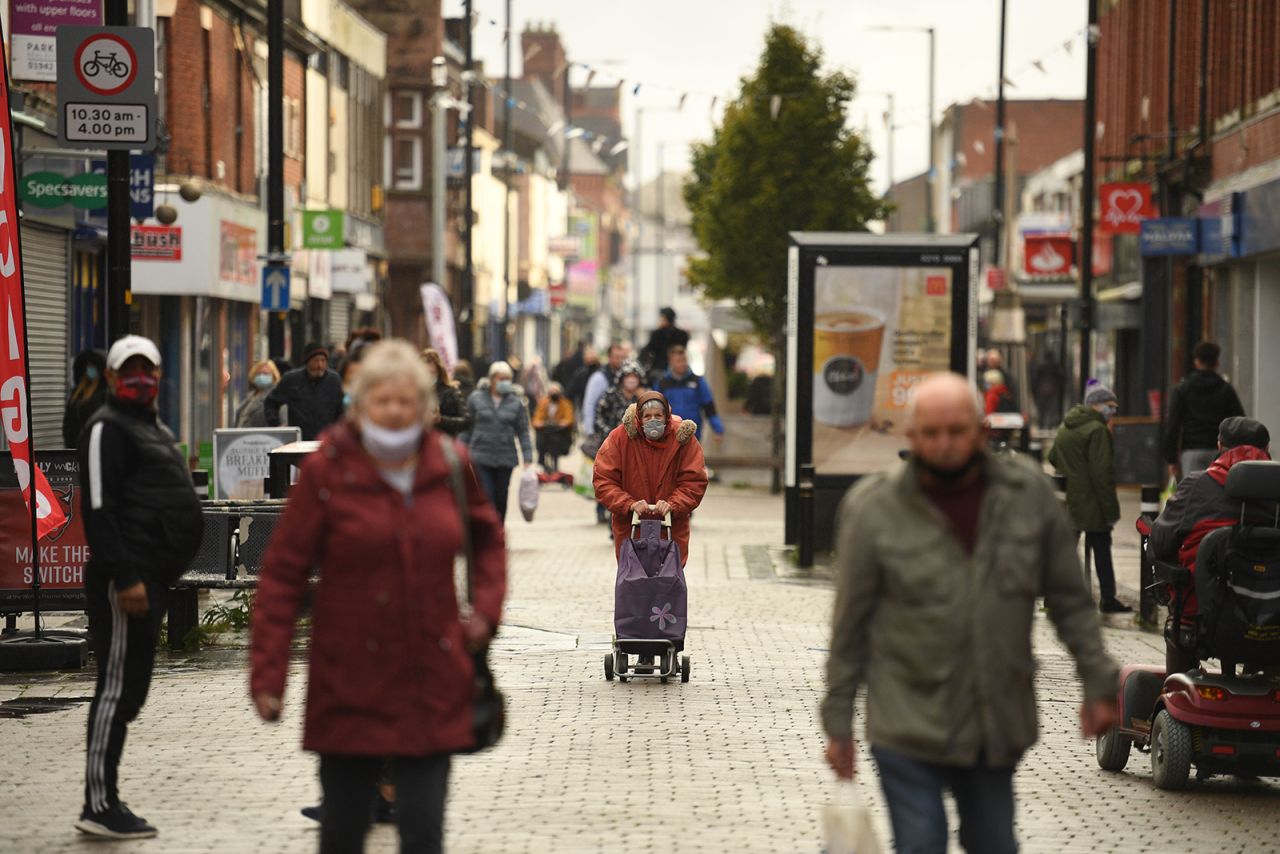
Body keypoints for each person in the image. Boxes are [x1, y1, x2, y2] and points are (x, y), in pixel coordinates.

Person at [822, 373, 1119, 854]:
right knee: (921, 844)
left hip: (993, 718)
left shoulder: (1027, 497)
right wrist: (838, 723)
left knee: (994, 843)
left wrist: (1099, 682)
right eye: (931, 433)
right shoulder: (873, 510)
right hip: (906, 716)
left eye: (957, 431)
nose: (945, 445)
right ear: (910, 436)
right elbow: (849, 625)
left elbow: (1071, 601)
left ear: (982, 431)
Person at [251, 339, 506, 854]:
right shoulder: (329, 470)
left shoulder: (449, 465)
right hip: (349, 680)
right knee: (343, 832)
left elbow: (488, 540)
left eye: (406, 400)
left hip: (429, 677)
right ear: (361, 403)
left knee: (423, 834)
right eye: (382, 400)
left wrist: (484, 615)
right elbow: (282, 574)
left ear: (423, 404)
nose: (394, 410)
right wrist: (268, 671)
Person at [75, 335, 204, 840]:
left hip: (152, 580)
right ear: (110, 378)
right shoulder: (105, 428)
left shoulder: (148, 425)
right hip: (125, 582)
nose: (140, 378)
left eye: (147, 369)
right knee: (115, 691)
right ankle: (98, 804)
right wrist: (125, 577)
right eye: (128, 370)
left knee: (130, 693)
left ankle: (105, 800)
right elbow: (99, 512)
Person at [1150, 416, 1273, 673]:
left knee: (1181, 603)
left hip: (1204, 618)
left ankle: (1176, 690)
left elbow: (1160, 542)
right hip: (1273, 619)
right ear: (1267, 451)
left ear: (1220, 445)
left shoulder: (1197, 485)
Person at [592, 390, 708, 567]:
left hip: (671, 524)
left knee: (669, 579)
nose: (653, 420)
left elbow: (694, 480)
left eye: (658, 415)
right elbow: (604, 479)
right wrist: (628, 504)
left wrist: (673, 504)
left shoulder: (683, 439)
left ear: (666, 416)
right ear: (639, 417)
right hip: (631, 524)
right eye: (647, 416)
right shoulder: (619, 438)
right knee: (633, 579)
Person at [1047, 382, 1131, 614]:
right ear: (1096, 405)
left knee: (1065, 550)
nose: (1113, 411)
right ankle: (1108, 598)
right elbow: (1101, 473)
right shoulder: (1097, 430)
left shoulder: (1066, 427)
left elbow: (1053, 457)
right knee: (1101, 549)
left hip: (1070, 499)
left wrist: (1073, 471)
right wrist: (1111, 511)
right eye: (1110, 406)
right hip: (1092, 500)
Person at [1164, 341, 1246, 480]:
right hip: (1219, 452)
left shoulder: (1183, 388)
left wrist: (1171, 459)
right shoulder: (1226, 389)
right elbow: (1239, 422)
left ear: (1196, 362)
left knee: (1194, 494)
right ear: (1217, 363)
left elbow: (1173, 424)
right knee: (1218, 495)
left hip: (1191, 451)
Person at [466, 361, 534, 523]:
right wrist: (461, 452)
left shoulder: (515, 402)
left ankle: (499, 529)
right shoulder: (476, 398)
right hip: (481, 455)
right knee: (487, 495)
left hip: (505, 458)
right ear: (492, 379)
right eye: (501, 378)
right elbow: (467, 428)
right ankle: (488, 530)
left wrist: (527, 456)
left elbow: (523, 430)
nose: (505, 382)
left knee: (501, 498)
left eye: (508, 378)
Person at [265, 343, 345, 441]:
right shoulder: (291, 380)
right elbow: (271, 402)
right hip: (299, 441)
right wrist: (276, 425)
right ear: (307, 361)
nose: (320, 365)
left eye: (323, 361)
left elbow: (341, 410)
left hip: (326, 441)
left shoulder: (334, 380)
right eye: (316, 361)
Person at [658, 345, 724, 444]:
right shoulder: (662, 383)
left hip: (693, 434)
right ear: (671, 362)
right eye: (678, 361)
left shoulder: (697, 381)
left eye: (684, 360)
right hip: (669, 433)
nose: (682, 364)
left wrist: (718, 429)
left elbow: (709, 407)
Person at [580, 343, 629, 439]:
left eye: (623, 357)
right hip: (602, 432)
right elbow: (589, 404)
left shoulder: (626, 376)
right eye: (617, 357)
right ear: (609, 357)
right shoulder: (599, 377)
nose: (620, 360)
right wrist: (589, 431)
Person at [63, 349, 108, 448]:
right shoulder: (78, 393)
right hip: (74, 448)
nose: (89, 369)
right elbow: (68, 422)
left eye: (92, 366)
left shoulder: (105, 395)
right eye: (88, 366)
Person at [422, 349, 471, 438]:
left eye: (432, 373)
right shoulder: (413, 393)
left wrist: (441, 420)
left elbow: (466, 421)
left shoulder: (451, 391)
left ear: (439, 373)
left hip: (444, 444)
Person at [532, 382, 575, 472]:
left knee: (555, 440)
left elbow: (569, 419)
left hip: (559, 433)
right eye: (552, 392)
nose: (554, 394)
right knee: (541, 439)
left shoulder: (565, 404)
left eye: (556, 391)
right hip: (546, 431)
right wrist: (544, 423)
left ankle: (555, 464)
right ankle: (542, 461)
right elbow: (536, 419)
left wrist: (559, 423)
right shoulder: (544, 403)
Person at [639, 307, 690, 381]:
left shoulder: (657, 334)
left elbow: (650, 349)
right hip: (675, 368)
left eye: (662, 318)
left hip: (659, 369)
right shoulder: (682, 334)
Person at [234, 360, 281, 429]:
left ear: (274, 377)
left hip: (262, 437)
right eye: (259, 374)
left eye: (265, 374)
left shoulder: (276, 397)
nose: (261, 376)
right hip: (242, 437)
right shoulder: (251, 396)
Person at [566, 344, 599, 414]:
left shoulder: (601, 373)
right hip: (583, 407)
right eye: (589, 354)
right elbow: (570, 392)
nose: (591, 357)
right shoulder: (580, 373)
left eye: (592, 354)